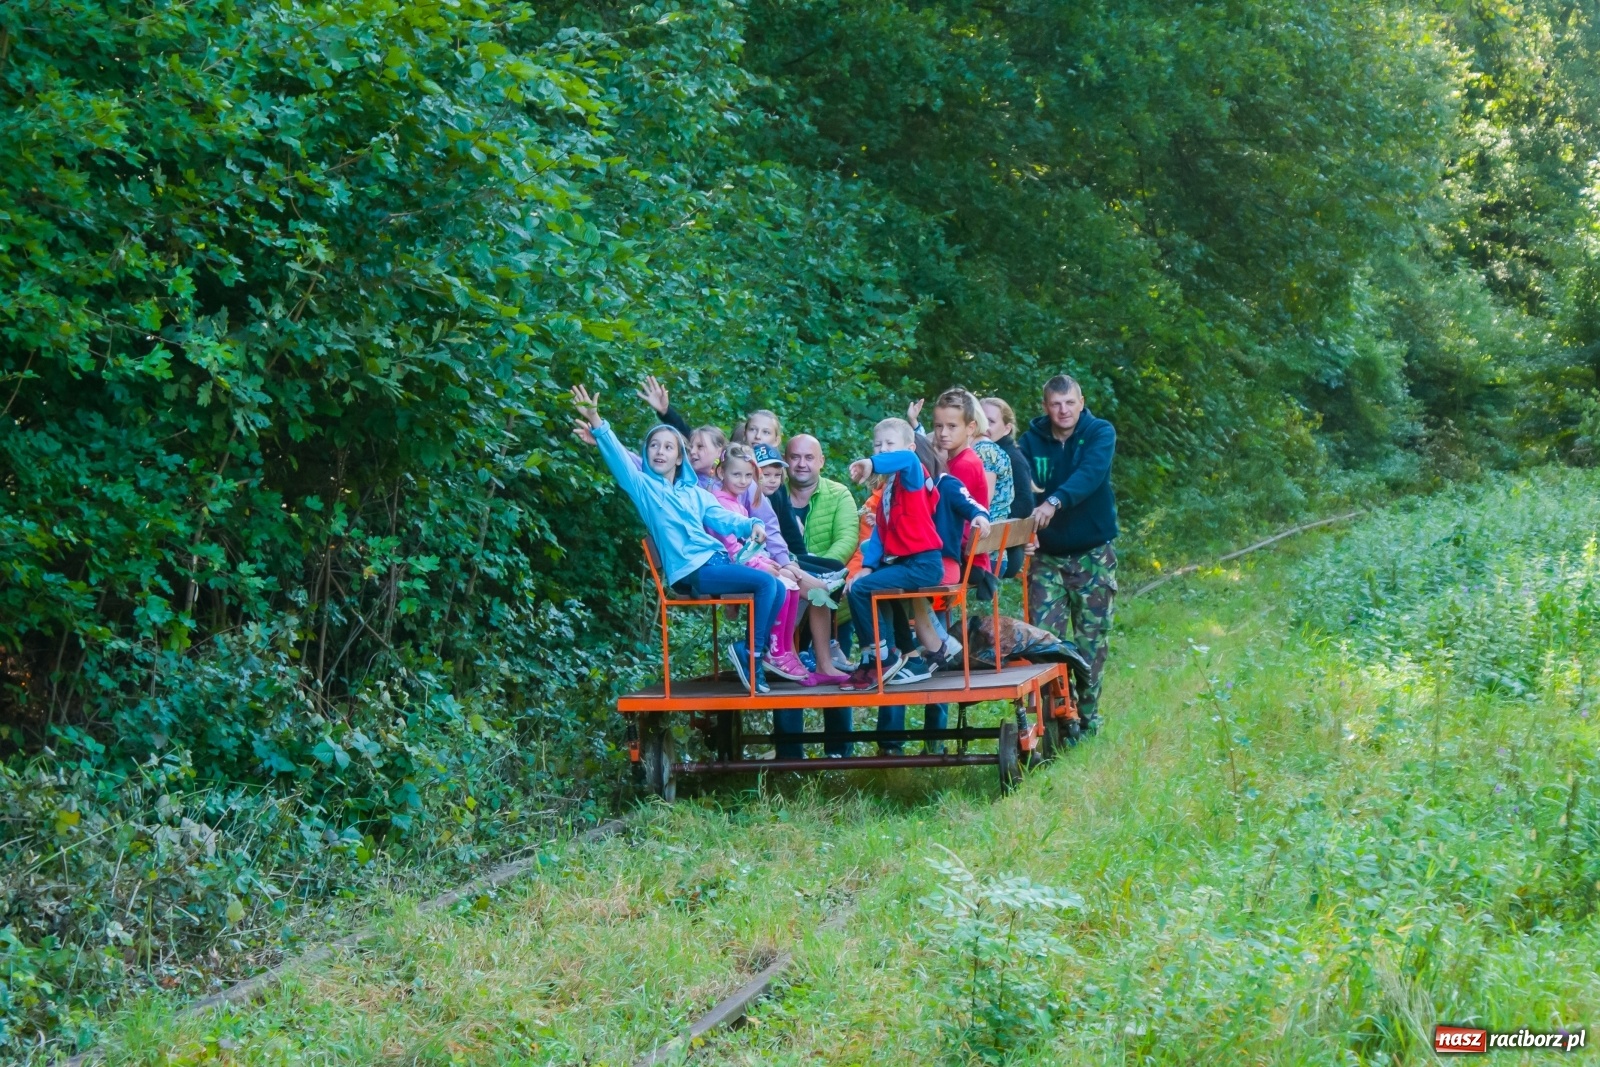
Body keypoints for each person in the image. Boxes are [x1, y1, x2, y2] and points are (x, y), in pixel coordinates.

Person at [569, 386, 780, 695]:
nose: (660, 451)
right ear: (646, 454)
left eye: (668, 447)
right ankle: (752, 656)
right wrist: (597, 422)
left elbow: (724, 518)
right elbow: (619, 459)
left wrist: (753, 524)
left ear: (680, 457)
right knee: (766, 583)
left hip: (715, 563)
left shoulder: (694, 493)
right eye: (654, 446)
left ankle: (752, 651)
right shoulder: (644, 488)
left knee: (776, 586)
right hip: (691, 571)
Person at [1019, 374, 1118, 732]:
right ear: (1046, 407)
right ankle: (1059, 722)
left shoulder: (1099, 432)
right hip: (1046, 558)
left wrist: (1054, 501)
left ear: (1081, 402)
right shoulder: (1030, 442)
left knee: (1091, 642)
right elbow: (1021, 490)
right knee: (1045, 645)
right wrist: (1024, 533)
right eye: (1056, 404)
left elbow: (1091, 474)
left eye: (1070, 403)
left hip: (1093, 555)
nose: (1063, 410)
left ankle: (1088, 721)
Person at [839, 418, 945, 689]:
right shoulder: (888, 489)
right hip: (903, 564)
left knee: (862, 590)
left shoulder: (912, 474)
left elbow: (907, 459)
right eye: (878, 445)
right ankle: (876, 658)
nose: (883, 449)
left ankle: (882, 658)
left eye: (890, 444)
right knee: (860, 584)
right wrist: (867, 567)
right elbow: (880, 532)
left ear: (909, 447)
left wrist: (871, 463)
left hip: (923, 564)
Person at [707, 445, 811, 684]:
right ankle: (769, 648)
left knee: (792, 585)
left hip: (745, 563)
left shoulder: (737, 501)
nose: (743, 481)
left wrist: (770, 562)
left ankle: (781, 648)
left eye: (748, 476)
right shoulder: (720, 503)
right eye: (736, 474)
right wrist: (761, 566)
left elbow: (750, 546)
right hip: (730, 567)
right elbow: (732, 550)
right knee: (781, 585)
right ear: (721, 473)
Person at [982, 396, 1035, 577]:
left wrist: (992, 524)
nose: (984, 426)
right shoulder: (980, 452)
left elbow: (1025, 504)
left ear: (1007, 428)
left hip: (1004, 551)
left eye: (991, 421)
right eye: (980, 419)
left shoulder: (1012, 458)